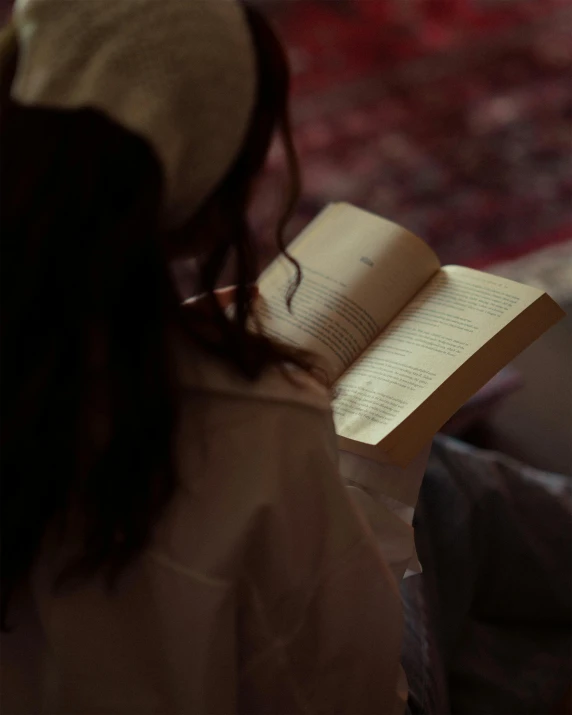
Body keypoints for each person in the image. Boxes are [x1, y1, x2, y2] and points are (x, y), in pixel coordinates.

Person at [1, 2, 571, 714]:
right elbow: (353, 694)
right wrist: (370, 486)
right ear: (211, 197)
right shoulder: (239, 421)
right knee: (439, 485)